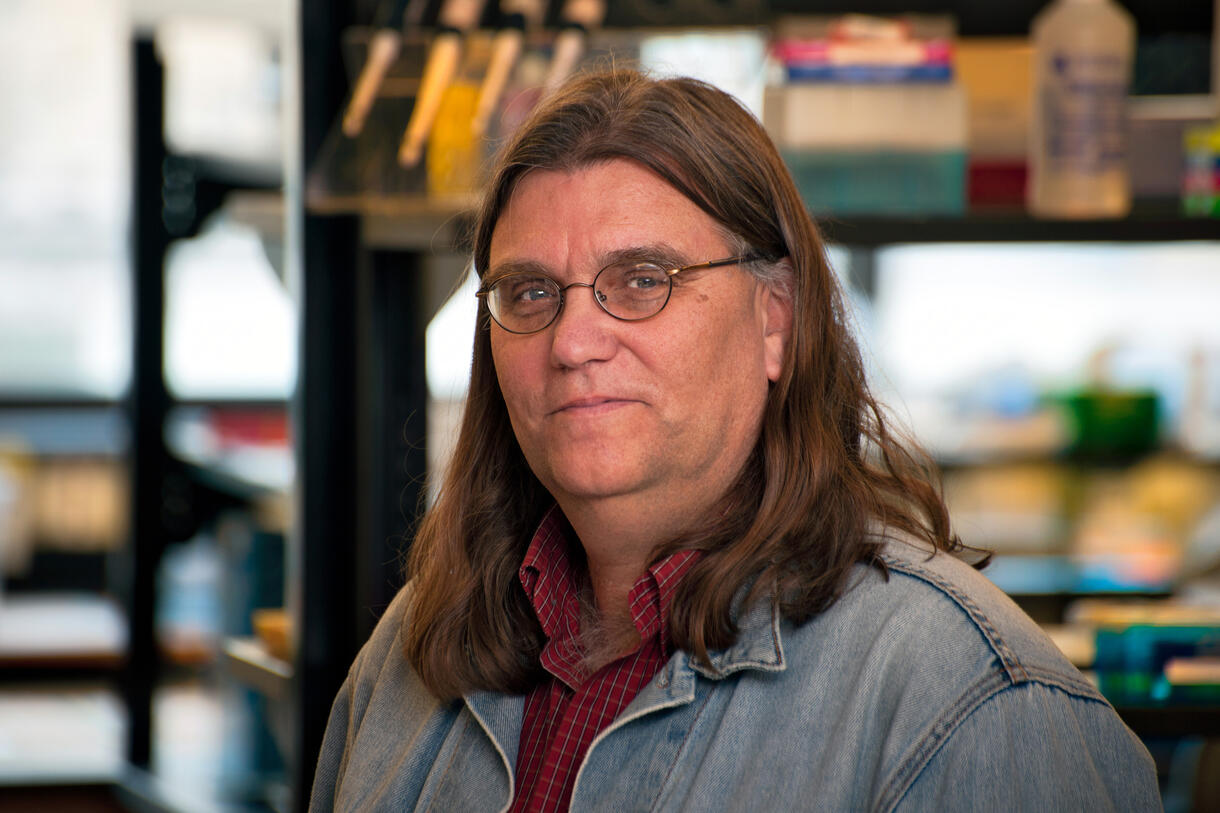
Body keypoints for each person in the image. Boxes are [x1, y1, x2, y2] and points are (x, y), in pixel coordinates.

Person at [310, 68, 1160, 812]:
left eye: (642, 280)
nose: (572, 342)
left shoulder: (970, 701)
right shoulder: (415, 646)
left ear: (776, 321)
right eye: (529, 293)